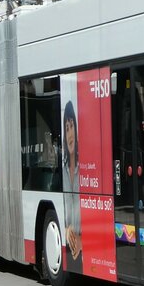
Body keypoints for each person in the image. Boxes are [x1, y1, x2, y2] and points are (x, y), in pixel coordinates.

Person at [61, 101, 82, 261]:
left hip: (83, 241)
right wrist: (67, 228)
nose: (69, 133)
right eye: (66, 128)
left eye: (72, 126)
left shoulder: (84, 166)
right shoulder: (64, 169)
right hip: (71, 241)